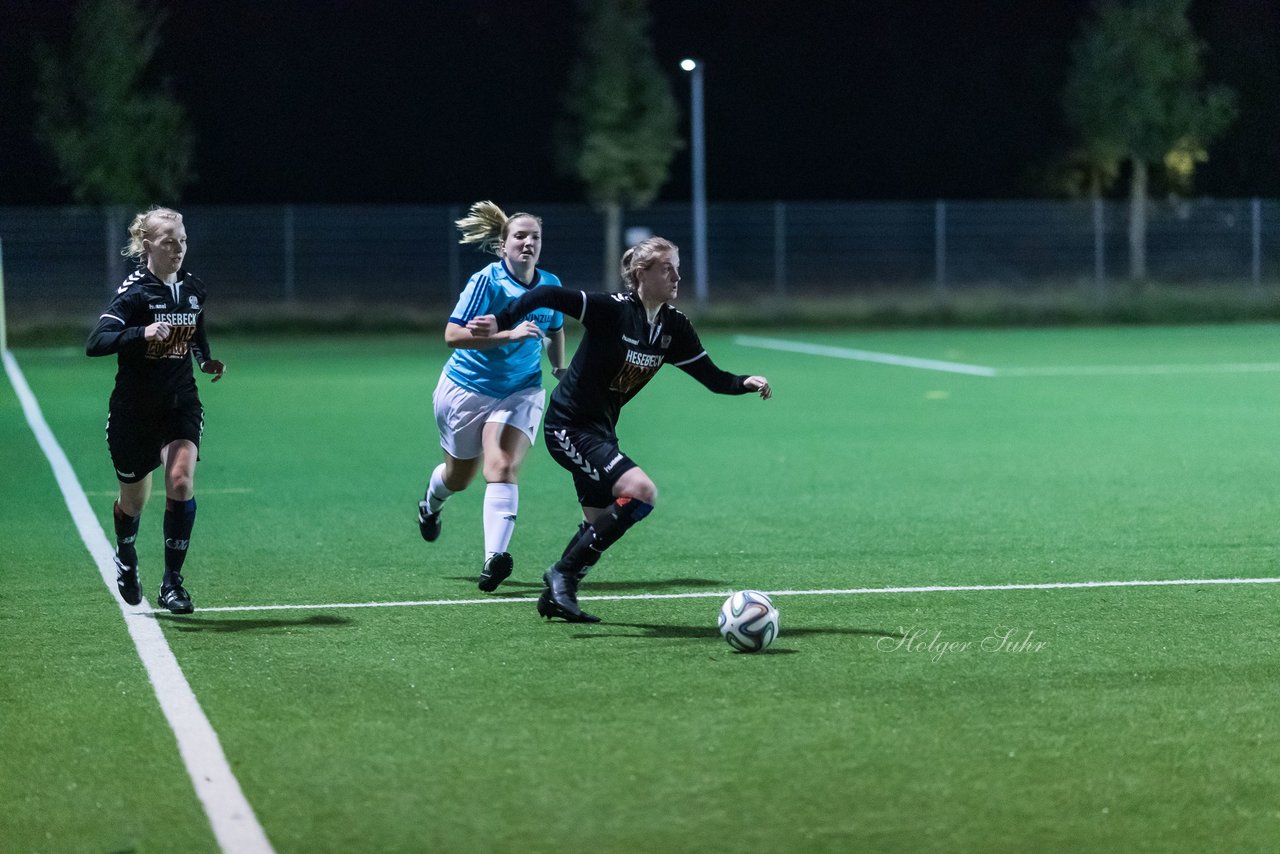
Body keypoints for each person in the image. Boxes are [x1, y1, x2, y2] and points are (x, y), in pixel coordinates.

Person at [468, 236, 772, 622]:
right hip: (568, 426)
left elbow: (712, 378)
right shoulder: (610, 310)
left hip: (601, 432)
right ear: (641, 274)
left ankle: (556, 597)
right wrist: (502, 319)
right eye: (667, 268)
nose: (678, 275)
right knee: (641, 493)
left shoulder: (673, 327)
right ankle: (561, 575)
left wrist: (743, 381)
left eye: (678, 267)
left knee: (600, 525)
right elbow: (546, 293)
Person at [418, 201, 566, 591]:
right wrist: (507, 334)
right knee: (458, 477)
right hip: (467, 389)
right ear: (504, 246)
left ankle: (493, 560)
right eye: (520, 236)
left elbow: (555, 327)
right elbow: (452, 336)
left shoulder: (550, 285)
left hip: (521, 389)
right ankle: (430, 506)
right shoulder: (486, 281)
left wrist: (560, 366)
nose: (528, 242)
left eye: (535, 236)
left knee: (500, 465)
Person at [86, 207, 226, 614]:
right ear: (148, 245)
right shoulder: (134, 291)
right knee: (134, 502)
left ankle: (172, 583)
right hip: (134, 412)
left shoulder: (193, 287)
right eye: (169, 241)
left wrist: (205, 359)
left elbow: (194, 326)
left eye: (182, 240)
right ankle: (126, 557)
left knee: (180, 482)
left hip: (181, 401)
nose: (178, 248)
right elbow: (96, 342)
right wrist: (140, 332)